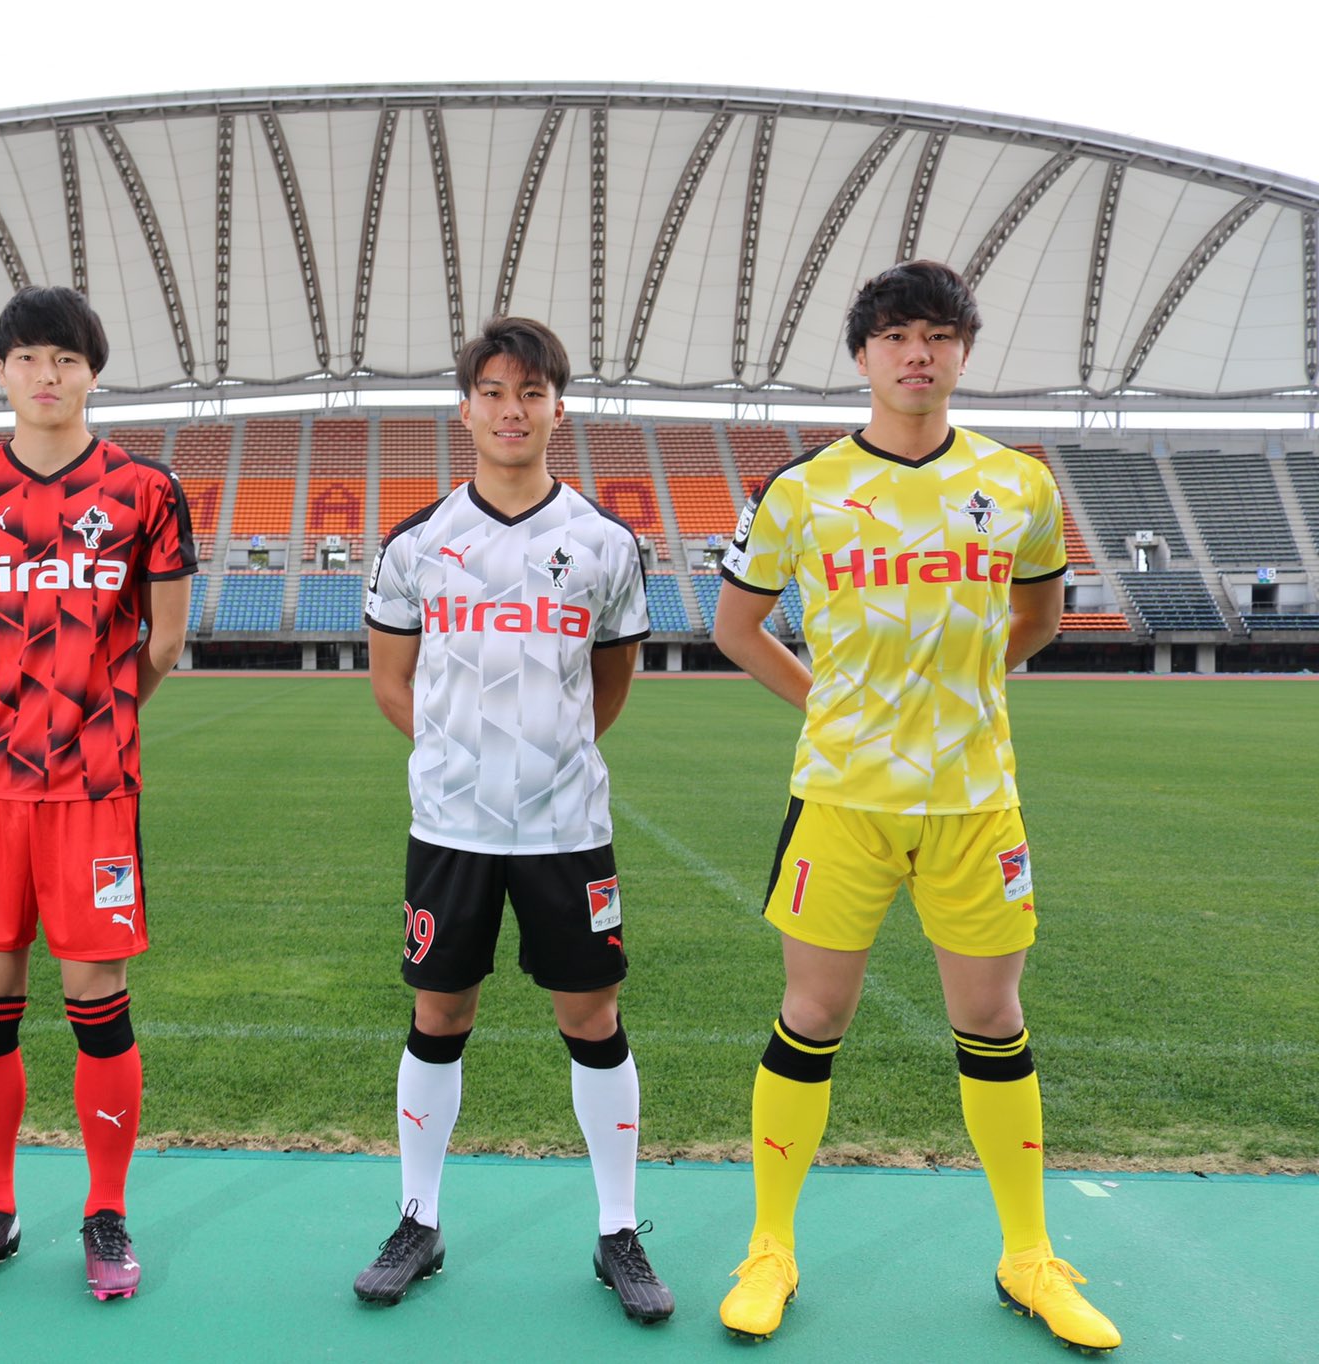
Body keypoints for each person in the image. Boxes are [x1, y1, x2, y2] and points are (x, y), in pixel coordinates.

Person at [711, 260, 1119, 1351]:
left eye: (937, 335)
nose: (916, 354)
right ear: (862, 355)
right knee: (812, 1017)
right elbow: (736, 628)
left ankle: (1028, 1256)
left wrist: (967, 691)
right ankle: (769, 1247)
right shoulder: (801, 488)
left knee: (991, 1021)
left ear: (962, 352)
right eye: (895, 335)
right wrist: (831, 705)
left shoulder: (1017, 483)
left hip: (974, 800)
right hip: (841, 799)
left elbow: (1038, 616)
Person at [357, 317, 672, 1322]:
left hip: (565, 828)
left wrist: (542, 761)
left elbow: (610, 682)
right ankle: (417, 1218)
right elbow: (391, 681)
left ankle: (618, 1230)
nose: (510, 409)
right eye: (492, 392)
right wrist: (466, 760)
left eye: (530, 393)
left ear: (556, 409)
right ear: (465, 409)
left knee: (592, 1017)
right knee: (438, 1014)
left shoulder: (604, 543)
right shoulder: (415, 543)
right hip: (450, 827)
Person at [0, 286, 194, 1301]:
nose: (47, 375)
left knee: (96, 1004)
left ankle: (105, 1212)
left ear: (90, 373)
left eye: (65, 359)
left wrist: (97, 712)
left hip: (93, 789)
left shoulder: (144, 489)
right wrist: (16, 717)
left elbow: (164, 639)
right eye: (28, 357)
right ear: (2, 371)